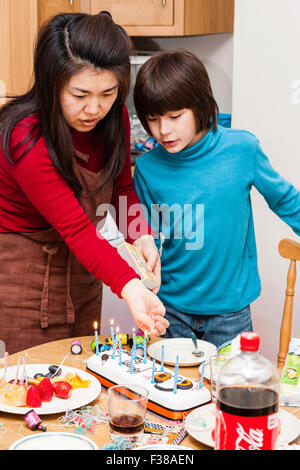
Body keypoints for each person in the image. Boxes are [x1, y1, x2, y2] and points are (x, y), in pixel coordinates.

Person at [0, 12, 168, 355]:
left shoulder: (112, 117)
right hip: (25, 271)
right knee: (34, 382)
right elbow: (75, 227)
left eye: (108, 92)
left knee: (83, 370)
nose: (95, 108)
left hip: (85, 264)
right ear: (52, 84)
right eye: (80, 95)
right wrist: (131, 287)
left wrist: (142, 235)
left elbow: (121, 186)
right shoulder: (24, 136)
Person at [133, 49, 300, 347]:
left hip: (230, 313)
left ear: (200, 105)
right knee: (169, 392)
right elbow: (144, 237)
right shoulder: (147, 168)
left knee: (230, 393)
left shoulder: (242, 149)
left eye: (175, 116)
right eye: (153, 119)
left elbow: (286, 200)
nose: (163, 130)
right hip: (169, 310)